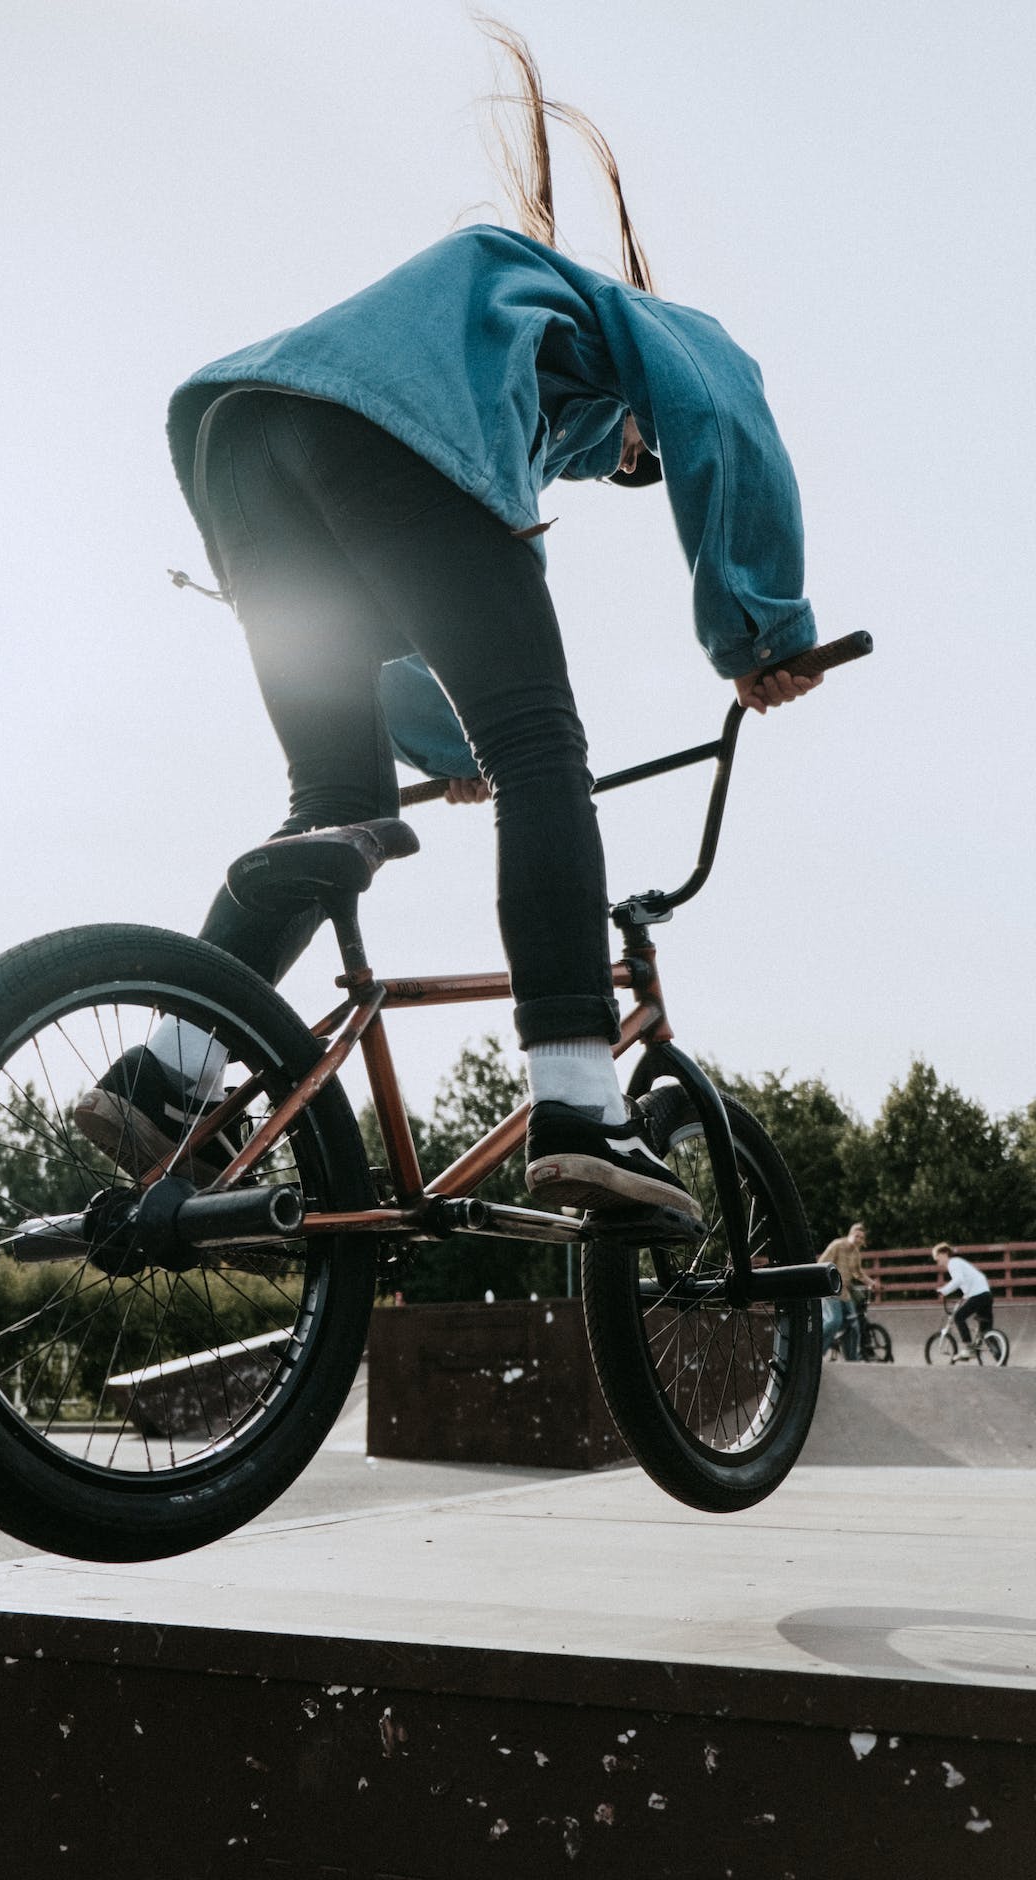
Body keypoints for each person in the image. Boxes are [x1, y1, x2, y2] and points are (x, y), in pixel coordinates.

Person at [75, 23, 822, 1217]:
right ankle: (580, 1095)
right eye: (631, 458)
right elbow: (721, 417)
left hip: (241, 448)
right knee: (544, 755)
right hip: (364, 436)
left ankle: (168, 1071)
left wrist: (440, 751)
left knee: (336, 807)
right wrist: (760, 632)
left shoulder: (480, 359)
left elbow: (400, 630)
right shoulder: (640, 328)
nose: (621, 464)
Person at [817, 1222, 870, 1360]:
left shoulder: (856, 1253)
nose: (858, 1240)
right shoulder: (837, 1245)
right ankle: (815, 1349)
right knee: (835, 1321)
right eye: (857, 1236)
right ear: (850, 1234)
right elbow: (822, 1264)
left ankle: (851, 1359)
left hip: (845, 1292)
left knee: (853, 1324)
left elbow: (858, 1273)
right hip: (830, 1290)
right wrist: (830, 1282)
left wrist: (872, 1283)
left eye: (861, 1238)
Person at [933, 1242, 995, 1354]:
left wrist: (944, 1291)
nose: (938, 1262)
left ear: (945, 1253)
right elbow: (970, 1281)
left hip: (978, 1295)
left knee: (958, 1317)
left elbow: (958, 1280)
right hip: (986, 1295)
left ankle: (968, 1346)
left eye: (938, 1258)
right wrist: (965, 1297)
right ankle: (1000, 1359)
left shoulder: (953, 1263)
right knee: (986, 1332)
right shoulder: (959, 1263)